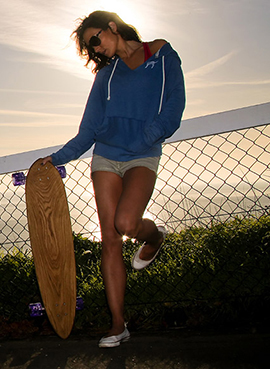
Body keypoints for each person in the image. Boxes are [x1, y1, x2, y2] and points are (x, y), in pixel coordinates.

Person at [40, 10, 185, 348]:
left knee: (127, 223)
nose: (95, 48)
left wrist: (148, 135)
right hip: (106, 156)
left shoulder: (160, 53)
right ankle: (118, 324)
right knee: (110, 239)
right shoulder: (106, 76)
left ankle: (154, 237)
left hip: (143, 153)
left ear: (112, 26)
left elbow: (174, 106)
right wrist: (57, 158)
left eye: (95, 39)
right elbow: (88, 130)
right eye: (89, 47)